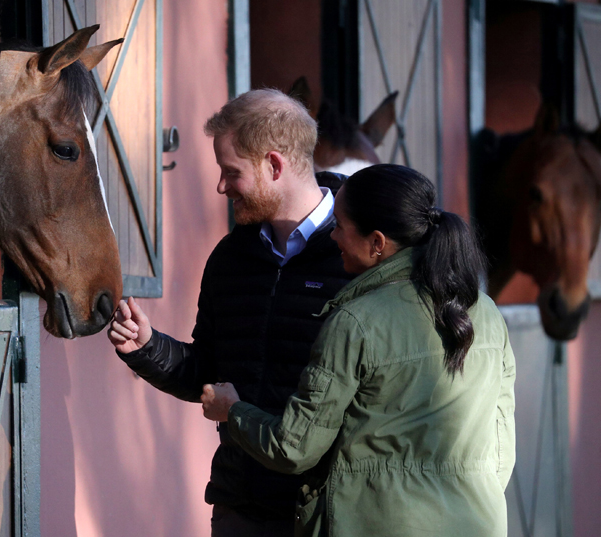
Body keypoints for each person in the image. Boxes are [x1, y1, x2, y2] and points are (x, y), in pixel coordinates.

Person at [201, 164, 516, 537]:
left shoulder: (355, 321)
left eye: (339, 226)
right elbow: (502, 449)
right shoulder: (486, 311)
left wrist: (232, 411)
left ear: (377, 243)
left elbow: (295, 447)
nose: (331, 237)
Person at [107, 89, 353, 536]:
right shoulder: (229, 259)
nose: (221, 187)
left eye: (231, 172)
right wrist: (146, 347)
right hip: (241, 508)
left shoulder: (357, 258)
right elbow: (208, 372)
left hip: (329, 513)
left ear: (274, 166)